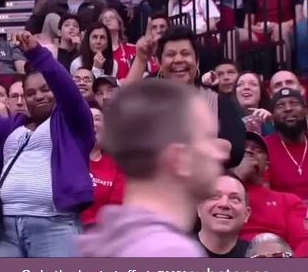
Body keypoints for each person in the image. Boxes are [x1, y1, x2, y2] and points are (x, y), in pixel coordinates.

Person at [0, 31, 95, 257]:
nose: (38, 96)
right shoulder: (13, 126)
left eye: (46, 89)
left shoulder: (73, 122)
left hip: (55, 225)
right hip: (3, 229)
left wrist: (38, 54)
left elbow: (68, 90)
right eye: (30, 93)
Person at [78, 78, 230, 257]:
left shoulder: (101, 242)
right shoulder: (171, 253)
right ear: (180, 159)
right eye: (208, 138)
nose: (222, 153)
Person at [126, 25, 246, 168]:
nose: (178, 59)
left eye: (185, 53)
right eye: (170, 54)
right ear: (159, 63)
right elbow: (122, 114)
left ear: (197, 61)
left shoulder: (218, 102)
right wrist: (140, 59)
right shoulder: (150, 100)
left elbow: (233, 148)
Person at [233, 131, 308, 257]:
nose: (249, 151)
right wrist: (237, 177)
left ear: (267, 166)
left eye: (257, 149)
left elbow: (304, 241)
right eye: (243, 147)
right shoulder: (218, 196)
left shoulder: (287, 201)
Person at [82, 101, 124, 228]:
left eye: (97, 119)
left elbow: (117, 206)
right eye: (87, 118)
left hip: (106, 233)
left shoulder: (117, 166)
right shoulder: (68, 162)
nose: (92, 123)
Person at [265, 88, 308, 201]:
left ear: (305, 111)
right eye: (280, 106)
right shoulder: (264, 148)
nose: (288, 109)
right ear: (273, 115)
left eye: (294, 103)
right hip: (283, 215)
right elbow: (265, 197)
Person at [197, 172, 251, 258]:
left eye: (234, 198)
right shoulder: (175, 251)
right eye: (214, 196)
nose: (224, 204)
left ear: (246, 214)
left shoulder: (255, 256)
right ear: (199, 208)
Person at [26, 0, 105, 35]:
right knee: (52, 17)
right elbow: (33, 23)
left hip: (84, 47)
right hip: (58, 49)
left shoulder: (97, 6)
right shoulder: (53, 5)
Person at [99, 8, 136, 79]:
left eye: (111, 17)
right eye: (105, 18)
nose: (107, 20)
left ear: (119, 25)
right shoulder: (96, 52)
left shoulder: (133, 49)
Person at [234, 71, 274, 136]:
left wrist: (270, 124)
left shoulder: (271, 121)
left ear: (261, 93)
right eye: (240, 84)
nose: (246, 87)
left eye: (253, 84)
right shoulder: (225, 121)